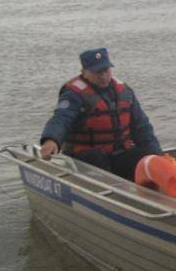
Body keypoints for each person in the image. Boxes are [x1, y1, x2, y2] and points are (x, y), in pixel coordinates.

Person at [39, 48, 161, 180]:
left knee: (148, 157)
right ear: (84, 72)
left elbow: (141, 126)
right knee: (96, 157)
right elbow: (61, 119)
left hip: (118, 154)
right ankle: (114, 194)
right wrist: (51, 139)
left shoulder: (124, 91)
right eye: (97, 72)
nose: (103, 76)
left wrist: (157, 155)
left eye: (106, 70)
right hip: (86, 158)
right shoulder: (74, 94)